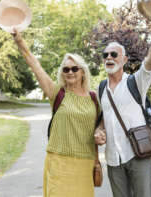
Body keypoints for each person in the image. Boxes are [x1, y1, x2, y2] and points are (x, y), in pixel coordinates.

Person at [12, 30, 98, 197]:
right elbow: (34, 65)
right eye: (66, 69)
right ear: (62, 73)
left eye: (74, 68)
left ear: (82, 72)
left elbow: (101, 124)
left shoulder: (94, 98)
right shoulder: (56, 92)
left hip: (85, 163)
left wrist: (100, 132)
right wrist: (19, 41)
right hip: (59, 162)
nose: (70, 72)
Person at [94, 20, 151, 197]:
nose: (109, 58)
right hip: (113, 158)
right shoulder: (101, 88)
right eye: (105, 55)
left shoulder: (135, 82)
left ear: (125, 59)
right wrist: (99, 131)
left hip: (138, 154)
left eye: (114, 54)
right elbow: (105, 118)